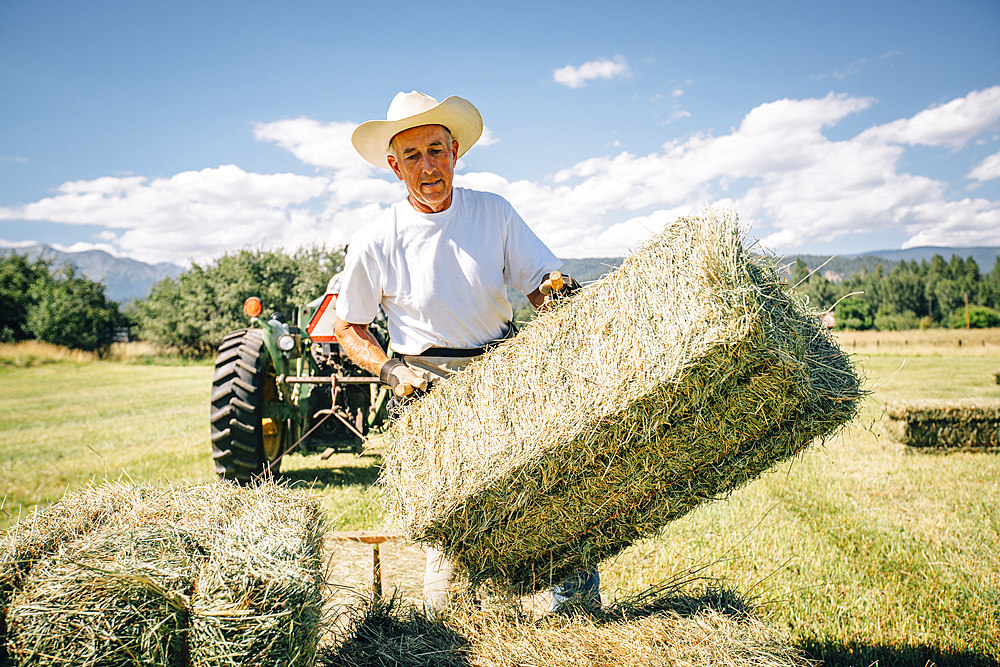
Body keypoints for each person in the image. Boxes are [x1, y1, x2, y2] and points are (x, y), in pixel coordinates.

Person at [333, 90, 600, 614]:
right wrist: (389, 370)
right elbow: (348, 327)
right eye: (412, 156)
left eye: (436, 149)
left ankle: (577, 615)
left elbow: (540, 286)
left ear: (455, 151)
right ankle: (451, 624)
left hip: (504, 378)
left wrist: (557, 291)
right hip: (426, 393)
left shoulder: (493, 212)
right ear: (394, 166)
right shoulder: (375, 239)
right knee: (452, 527)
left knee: (551, 492)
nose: (428, 166)